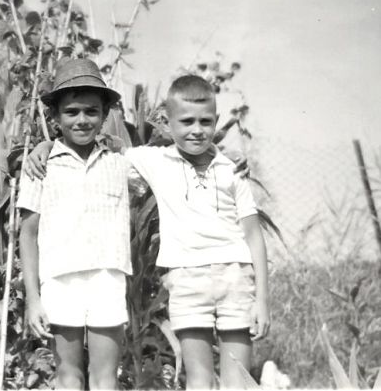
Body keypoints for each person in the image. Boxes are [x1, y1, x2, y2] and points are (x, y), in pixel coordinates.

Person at [26, 74, 270, 389]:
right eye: (187, 122)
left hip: (235, 277)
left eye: (205, 121)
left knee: (238, 379)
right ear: (168, 123)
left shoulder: (229, 170)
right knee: (198, 378)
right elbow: (85, 152)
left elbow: (252, 233)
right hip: (185, 281)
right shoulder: (152, 160)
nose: (196, 129)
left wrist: (262, 297)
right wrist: (45, 145)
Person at [17, 58, 133, 390]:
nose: (82, 120)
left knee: (105, 375)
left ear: (104, 115)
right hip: (59, 280)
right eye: (72, 112)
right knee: (68, 374)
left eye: (91, 111)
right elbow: (28, 232)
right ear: (55, 117)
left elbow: (167, 162)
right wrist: (33, 298)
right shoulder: (41, 166)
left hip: (107, 276)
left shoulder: (120, 163)